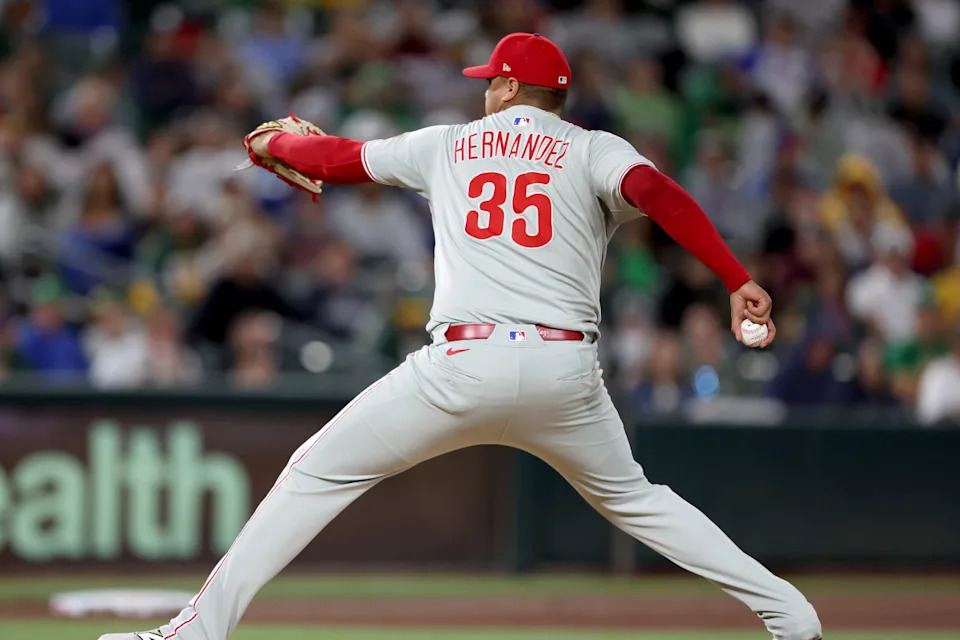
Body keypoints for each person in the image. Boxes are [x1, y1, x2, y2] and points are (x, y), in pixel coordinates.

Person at [101, 33, 820, 640]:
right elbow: (659, 195)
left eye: (489, 82)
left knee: (317, 473)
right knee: (641, 500)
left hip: (460, 366)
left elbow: (334, 159)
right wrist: (734, 277)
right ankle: (790, 615)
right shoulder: (593, 147)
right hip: (564, 372)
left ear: (508, 88)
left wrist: (275, 140)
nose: (483, 91)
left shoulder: (448, 144)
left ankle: (197, 633)